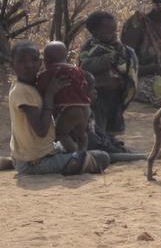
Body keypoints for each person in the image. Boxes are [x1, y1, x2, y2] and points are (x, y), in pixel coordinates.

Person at [8, 41, 110, 175]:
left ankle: (75, 157)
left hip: (36, 154)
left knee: (73, 146)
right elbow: (41, 131)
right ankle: (74, 161)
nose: (29, 65)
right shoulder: (23, 92)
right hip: (35, 162)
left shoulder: (30, 86)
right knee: (103, 157)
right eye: (22, 61)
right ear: (12, 64)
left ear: (41, 63)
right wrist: (50, 94)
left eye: (34, 60)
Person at [79, 11, 139, 153]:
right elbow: (84, 66)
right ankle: (102, 142)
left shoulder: (118, 46)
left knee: (114, 116)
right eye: (107, 31)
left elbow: (126, 61)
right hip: (99, 92)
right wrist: (105, 60)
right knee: (99, 119)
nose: (112, 34)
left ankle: (110, 139)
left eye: (114, 30)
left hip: (116, 92)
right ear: (94, 32)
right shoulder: (89, 48)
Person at [36, 41, 92, 152]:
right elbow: (87, 84)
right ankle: (84, 151)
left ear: (46, 60)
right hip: (86, 108)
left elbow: (40, 89)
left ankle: (75, 154)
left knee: (61, 134)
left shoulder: (48, 73)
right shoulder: (78, 70)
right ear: (66, 57)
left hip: (69, 110)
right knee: (81, 134)